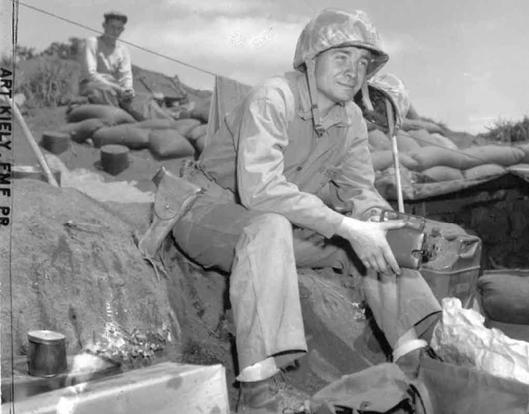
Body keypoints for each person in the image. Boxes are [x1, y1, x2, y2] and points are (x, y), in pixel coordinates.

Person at [172, 8, 441, 413]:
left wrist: (388, 226)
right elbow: (261, 191)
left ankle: (413, 358)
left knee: (381, 237)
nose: (354, 71)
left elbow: (360, 191)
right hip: (207, 211)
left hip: (276, 225)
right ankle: (258, 391)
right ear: (311, 59)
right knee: (270, 226)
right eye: (342, 57)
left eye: (363, 62)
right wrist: (345, 226)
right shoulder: (274, 96)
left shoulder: (350, 118)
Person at [78, 11, 143, 120]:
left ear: (123, 30)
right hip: (93, 85)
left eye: (119, 28)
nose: (115, 31)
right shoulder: (92, 42)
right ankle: (119, 118)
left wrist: (128, 89)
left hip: (116, 88)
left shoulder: (123, 50)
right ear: (104, 26)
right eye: (112, 27)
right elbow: (90, 74)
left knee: (141, 100)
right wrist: (116, 88)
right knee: (104, 92)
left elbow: (126, 76)